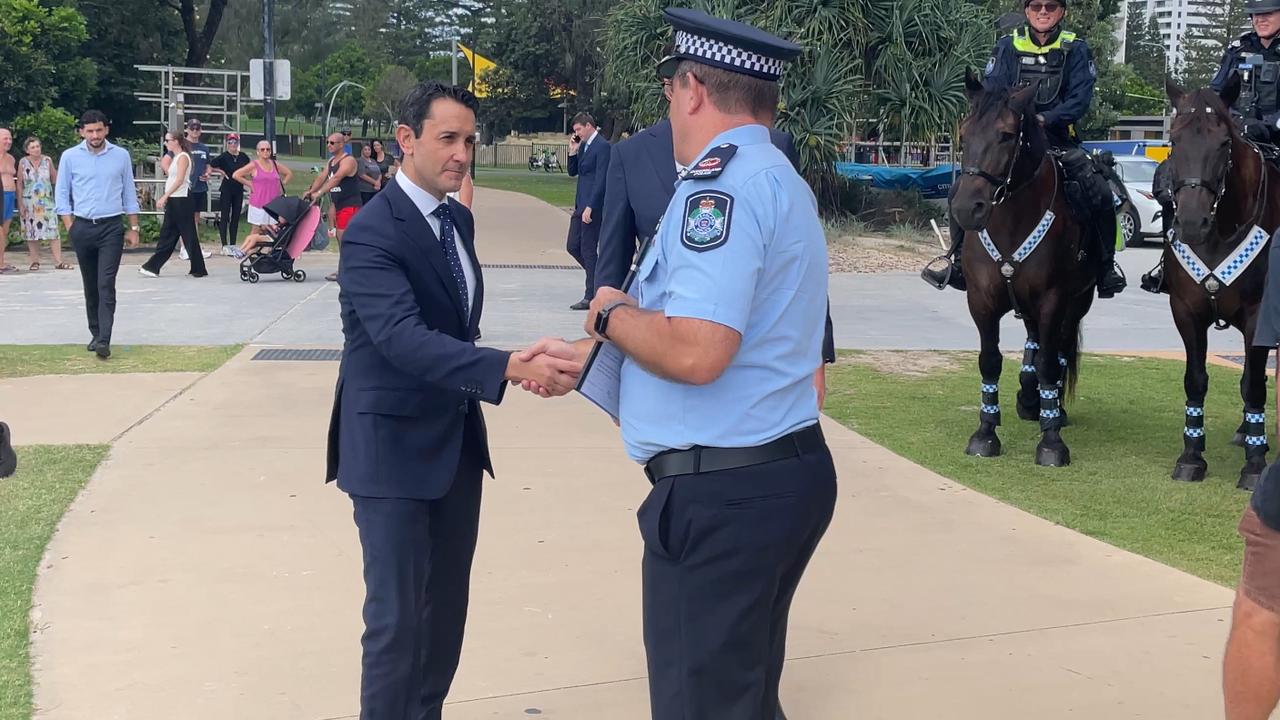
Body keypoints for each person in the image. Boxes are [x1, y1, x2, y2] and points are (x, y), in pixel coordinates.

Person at [519, 10, 835, 719]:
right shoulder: (774, 174)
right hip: (764, 477)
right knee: (740, 701)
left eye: (669, 88)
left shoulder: (716, 190)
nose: (670, 103)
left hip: (725, 496)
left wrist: (605, 313)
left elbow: (697, 351)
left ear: (691, 88)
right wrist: (594, 355)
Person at [324, 80, 581, 720]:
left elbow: (453, 329)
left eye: (469, 139)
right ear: (405, 140)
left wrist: (512, 358)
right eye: (448, 138)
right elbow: (401, 339)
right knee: (396, 623)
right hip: (389, 452)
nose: (462, 153)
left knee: (445, 619)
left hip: (455, 449)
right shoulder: (371, 232)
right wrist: (507, 368)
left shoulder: (456, 218)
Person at [595, 99, 836, 408]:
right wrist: (607, 375)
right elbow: (613, 263)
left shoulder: (774, 149)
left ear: (692, 88)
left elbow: (799, 267)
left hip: (744, 408)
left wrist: (817, 358)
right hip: (671, 387)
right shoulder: (632, 153)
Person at [921, 0, 1126, 299]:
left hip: (1056, 138)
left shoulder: (1076, 48)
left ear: (1061, 11)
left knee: (1098, 189)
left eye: (1051, 6)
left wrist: (1045, 119)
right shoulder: (1007, 46)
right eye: (1036, 6)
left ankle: (1106, 266)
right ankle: (957, 262)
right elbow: (992, 93)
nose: (1043, 11)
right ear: (1027, 11)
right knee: (959, 190)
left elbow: (1079, 99)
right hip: (1010, 138)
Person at [55, 110, 142, 360]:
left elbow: (129, 193)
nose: (95, 135)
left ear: (106, 130)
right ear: (82, 131)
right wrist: (70, 224)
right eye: (90, 131)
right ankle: (95, 332)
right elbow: (62, 194)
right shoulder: (70, 157)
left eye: (99, 130)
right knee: (90, 284)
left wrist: (134, 228)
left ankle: (105, 339)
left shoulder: (120, 156)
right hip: (82, 226)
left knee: (106, 283)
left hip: (111, 227)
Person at [139, 130, 207, 279]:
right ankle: (155, 266)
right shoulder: (176, 157)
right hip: (175, 199)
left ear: (176, 141)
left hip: (181, 199)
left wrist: (164, 196)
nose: (166, 143)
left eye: (168, 140)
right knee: (169, 233)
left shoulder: (183, 157)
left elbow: (180, 179)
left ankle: (154, 266)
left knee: (185, 233)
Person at [1214, 0, 1280, 146]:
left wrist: (1272, 125)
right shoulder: (1237, 51)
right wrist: (1239, 122)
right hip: (1239, 133)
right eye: (1256, 14)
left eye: (1268, 13)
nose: (1260, 19)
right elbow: (1217, 95)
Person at [566, 112, 611, 310]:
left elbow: (601, 180)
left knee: (588, 249)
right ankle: (599, 278)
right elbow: (572, 172)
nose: (577, 134)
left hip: (592, 206)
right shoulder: (583, 146)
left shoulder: (602, 147)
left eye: (578, 130)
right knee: (573, 246)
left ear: (589, 126)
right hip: (580, 203)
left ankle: (591, 294)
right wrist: (573, 151)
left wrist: (591, 206)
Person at [303, 132, 361, 281]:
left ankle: (349, 270)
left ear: (341, 144)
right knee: (339, 238)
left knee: (345, 238)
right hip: (338, 204)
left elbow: (336, 178)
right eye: (328, 142)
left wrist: (320, 193)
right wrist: (311, 191)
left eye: (332, 143)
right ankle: (345, 269)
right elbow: (321, 177)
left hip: (350, 205)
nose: (329, 145)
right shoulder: (331, 162)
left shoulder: (348, 161)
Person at [17, 136, 70, 271]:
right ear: (27, 150)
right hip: (29, 200)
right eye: (32, 147)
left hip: (46, 200)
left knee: (53, 229)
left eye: (37, 146)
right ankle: (35, 261)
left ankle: (58, 261)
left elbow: (55, 179)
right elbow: (19, 183)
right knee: (31, 231)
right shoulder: (23, 162)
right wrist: (20, 204)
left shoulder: (47, 160)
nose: (36, 149)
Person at [234, 140, 291, 235]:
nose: (265, 151)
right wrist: (249, 183)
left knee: (272, 230)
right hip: (258, 203)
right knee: (256, 229)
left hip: (273, 204)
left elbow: (288, 173)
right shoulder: (253, 165)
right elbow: (236, 175)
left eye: (268, 149)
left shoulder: (275, 164)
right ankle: (250, 249)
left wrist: (282, 184)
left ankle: (266, 249)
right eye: (262, 149)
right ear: (258, 152)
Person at [209, 133, 250, 255]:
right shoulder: (223, 156)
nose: (233, 144)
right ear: (227, 144)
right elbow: (210, 165)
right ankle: (224, 244)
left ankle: (232, 243)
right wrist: (220, 171)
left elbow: (249, 168)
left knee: (236, 217)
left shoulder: (243, 156)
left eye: (235, 142)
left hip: (238, 189)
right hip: (227, 189)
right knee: (225, 216)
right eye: (230, 142)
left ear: (238, 143)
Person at [181, 118, 213, 262]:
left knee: (195, 218)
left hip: (200, 187)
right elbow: (168, 161)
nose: (195, 131)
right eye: (192, 128)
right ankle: (184, 248)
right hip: (186, 186)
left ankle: (194, 247)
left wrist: (208, 173)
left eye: (197, 128)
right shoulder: (182, 146)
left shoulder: (204, 147)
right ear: (187, 129)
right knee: (185, 217)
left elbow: (208, 164)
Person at [0, 128, 17, 274]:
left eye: (10, 138)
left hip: (10, 194)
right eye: (5, 138)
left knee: (5, 230)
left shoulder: (11, 158)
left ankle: (1, 260)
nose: (8, 141)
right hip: (1, 194)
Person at [356, 141, 382, 206]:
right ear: (362, 151)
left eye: (369, 149)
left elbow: (379, 173)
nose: (367, 151)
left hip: (375, 190)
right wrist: (375, 182)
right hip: (365, 191)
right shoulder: (360, 160)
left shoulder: (373, 160)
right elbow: (362, 175)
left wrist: (378, 182)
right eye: (365, 150)